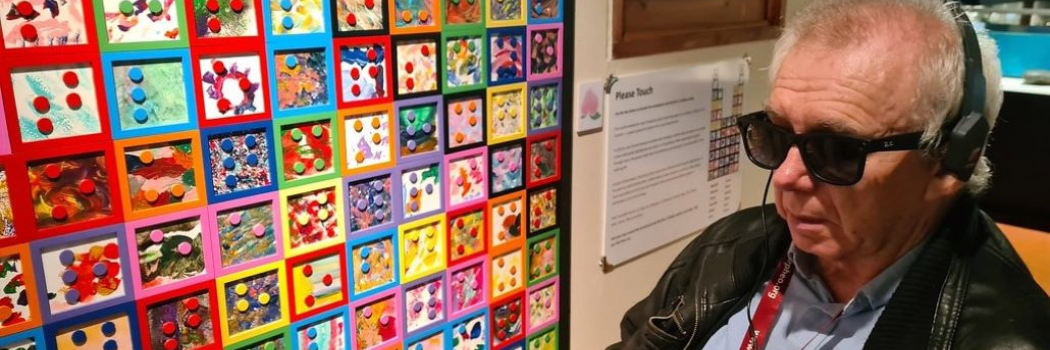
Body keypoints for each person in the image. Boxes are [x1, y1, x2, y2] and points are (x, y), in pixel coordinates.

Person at [608, 0, 1050, 349]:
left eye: (838, 151)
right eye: (775, 135)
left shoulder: (1009, 338)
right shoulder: (727, 247)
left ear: (953, 161)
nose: (785, 176)